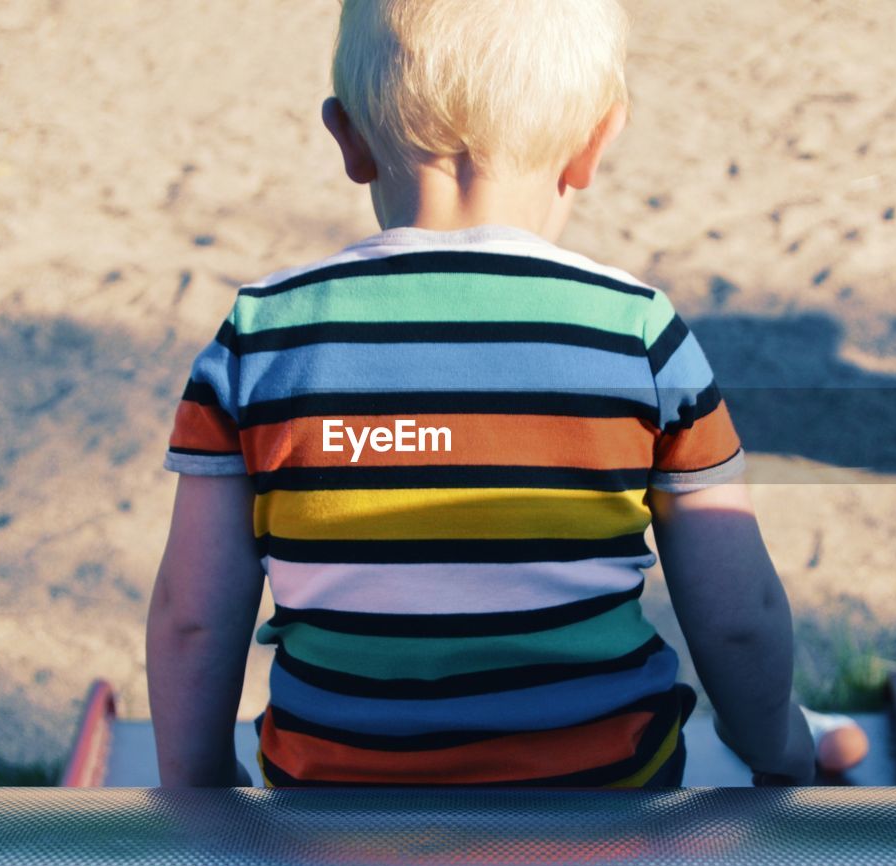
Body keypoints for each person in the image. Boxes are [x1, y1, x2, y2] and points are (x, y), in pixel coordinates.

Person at [147, 0, 850, 789]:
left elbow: (191, 616)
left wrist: (199, 789)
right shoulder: (638, 334)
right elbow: (739, 617)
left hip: (331, 818)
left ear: (347, 138)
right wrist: (781, 751)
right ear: (594, 143)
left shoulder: (262, 338)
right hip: (606, 814)